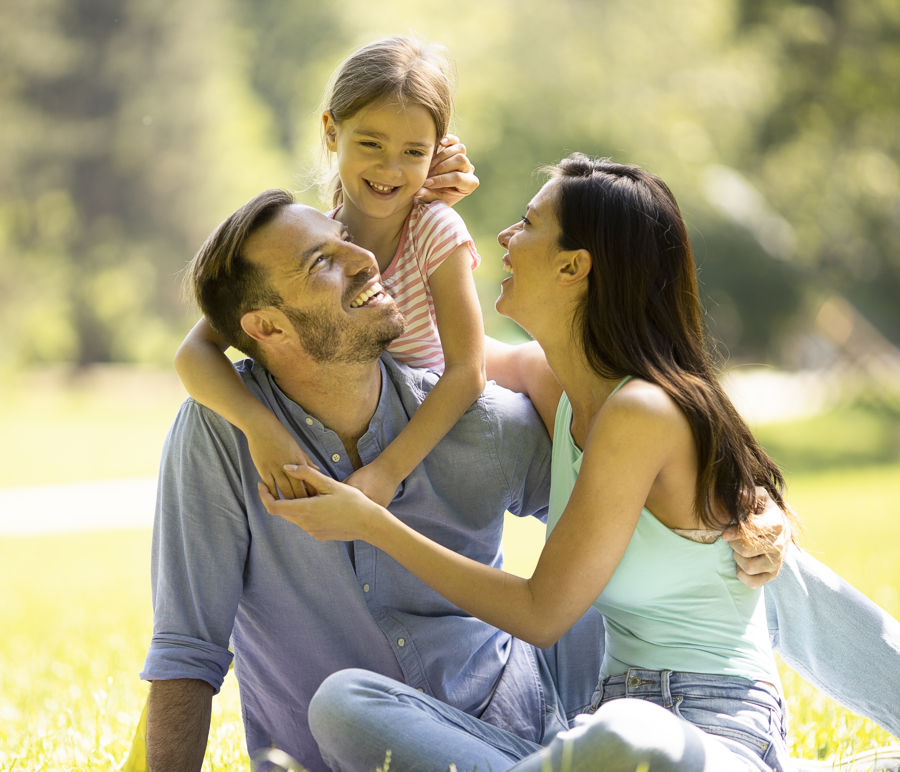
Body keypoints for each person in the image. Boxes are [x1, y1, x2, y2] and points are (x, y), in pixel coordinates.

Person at [141, 188, 900, 772]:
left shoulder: (484, 419)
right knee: (336, 704)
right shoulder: (222, 435)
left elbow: (660, 528)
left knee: (709, 551)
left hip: (547, 715)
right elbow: (187, 652)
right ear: (266, 328)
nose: (367, 258)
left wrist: (751, 508)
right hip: (387, 745)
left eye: (349, 242)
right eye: (323, 261)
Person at [174, 36, 485, 507]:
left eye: (414, 152)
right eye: (371, 143)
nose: (390, 168)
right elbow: (194, 352)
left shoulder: (436, 230)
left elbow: (468, 371)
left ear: (437, 151)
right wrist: (261, 428)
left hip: (412, 434)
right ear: (331, 132)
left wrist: (386, 472)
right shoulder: (317, 239)